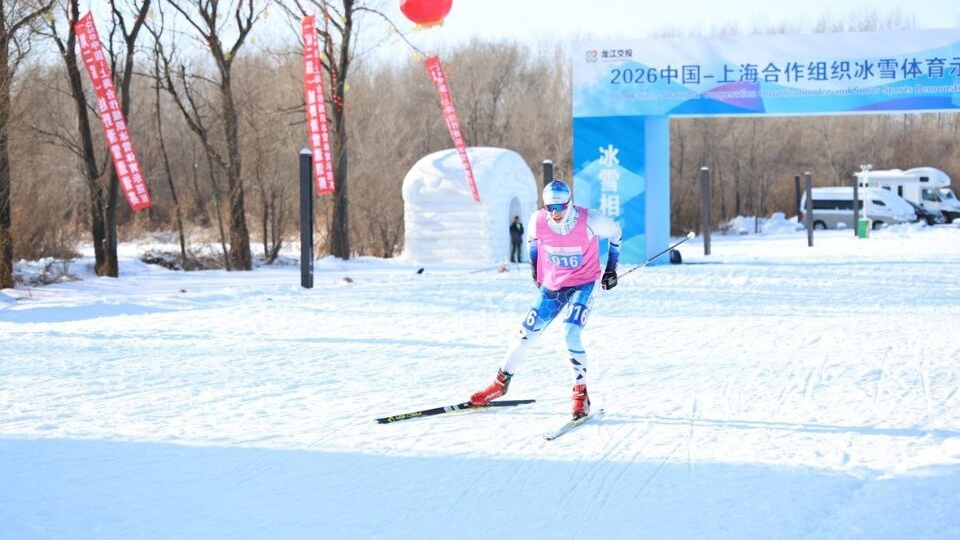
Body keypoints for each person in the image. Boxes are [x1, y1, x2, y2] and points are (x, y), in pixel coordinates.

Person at [470, 179, 622, 419]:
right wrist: (536, 271)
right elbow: (533, 243)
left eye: (560, 207)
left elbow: (616, 233)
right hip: (554, 285)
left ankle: (580, 394)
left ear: (569, 204)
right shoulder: (538, 220)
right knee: (524, 335)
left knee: (570, 333)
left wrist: (611, 269)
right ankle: (500, 384)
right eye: (550, 207)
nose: (555, 213)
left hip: (583, 284)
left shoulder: (590, 220)